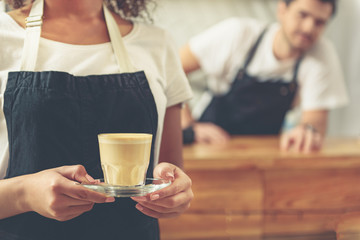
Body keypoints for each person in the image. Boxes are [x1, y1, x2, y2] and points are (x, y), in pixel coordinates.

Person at [0, 0, 193, 239]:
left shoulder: (158, 44)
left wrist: (174, 195)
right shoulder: (3, 36)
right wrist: (24, 194)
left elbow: (170, 177)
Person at [180, 0, 349, 153]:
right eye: (303, 15)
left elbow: (315, 121)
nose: (308, 28)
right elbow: (173, 68)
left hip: (264, 151)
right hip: (209, 148)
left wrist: (306, 131)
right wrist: (190, 128)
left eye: (319, 22)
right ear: (282, 9)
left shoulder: (322, 55)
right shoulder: (238, 33)